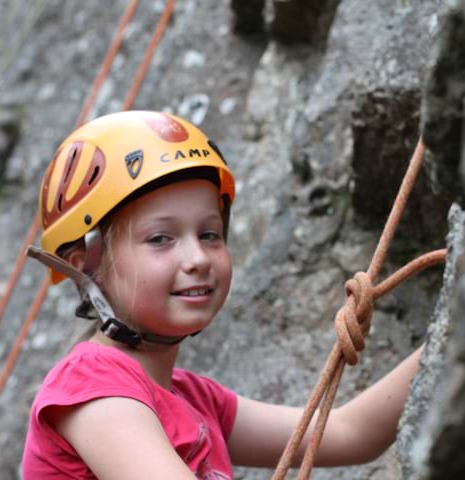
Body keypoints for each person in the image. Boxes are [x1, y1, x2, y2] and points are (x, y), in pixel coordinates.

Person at [21, 110, 422, 479]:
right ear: (88, 264)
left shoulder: (197, 400)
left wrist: (456, 327)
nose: (197, 257)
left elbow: (348, 432)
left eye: (210, 234)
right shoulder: (90, 386)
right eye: (160, 238)